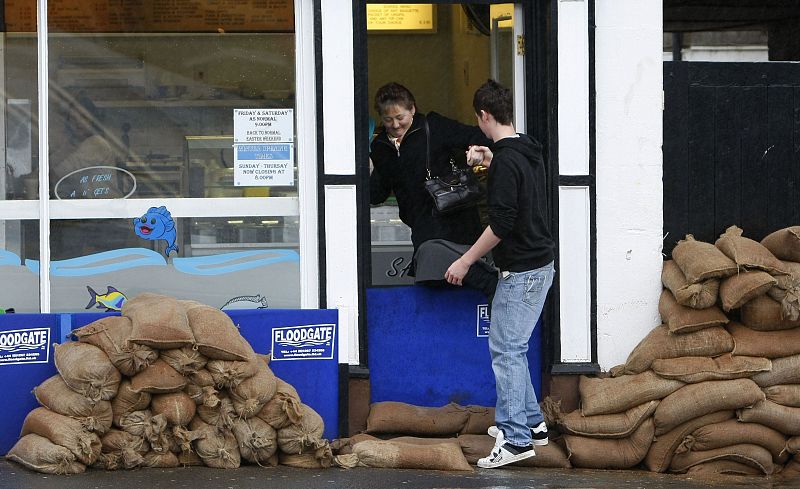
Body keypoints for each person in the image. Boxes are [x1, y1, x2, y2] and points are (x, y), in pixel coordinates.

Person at [445, 79, 555, 468]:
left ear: (483, 116)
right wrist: (491, 161)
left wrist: (465, 260)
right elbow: (516, 179)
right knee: (513, 348)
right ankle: (533, 424)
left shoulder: (508, 159)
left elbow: (502, 223)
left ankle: (515, 440)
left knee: (506, 351)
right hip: (538, 265)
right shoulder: (525, 149)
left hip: (521, 271)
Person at [369, 82, 497, 300]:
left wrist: (476, 151)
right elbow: (377, 194)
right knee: (436, 282)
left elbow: (477, 136)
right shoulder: (381, 147)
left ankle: (494, 288)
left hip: (455, 216)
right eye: (388, 119)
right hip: (420, 223)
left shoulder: (433, 126)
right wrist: (368, 170)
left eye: (400, 117)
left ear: (413, 109)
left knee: (453, 271)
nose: (395, 124)